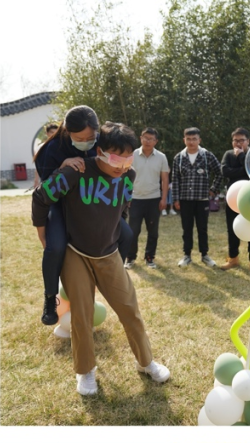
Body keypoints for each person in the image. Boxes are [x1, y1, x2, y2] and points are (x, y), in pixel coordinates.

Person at [31, 121, 170, 396]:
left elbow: (123, 208)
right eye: (116, 159)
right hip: (76, 254)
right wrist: (42, 231)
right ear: (100, 152)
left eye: (128, 159)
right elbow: (41, 197)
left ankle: (146, 362)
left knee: (130, 309)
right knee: (82, 315)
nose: (122, 166)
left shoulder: (128, 175)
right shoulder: (76, 171)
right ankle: (85, 371)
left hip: (108, 254)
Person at [33, 106, 133, 325]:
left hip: (93, 203)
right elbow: (46, 189)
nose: (86, 143)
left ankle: (112, 277)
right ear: (67, 131)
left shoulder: (101, 143)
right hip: (61, 205)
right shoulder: (53, 148)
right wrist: (62, 167)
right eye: (79, 139)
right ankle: (50, 298)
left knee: (126, 234)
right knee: (55, 246)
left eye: (91, 138)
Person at [169, 126, 223, 268]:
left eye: (194, 139)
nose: (191, 142)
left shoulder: (207, 155)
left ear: (199, 140)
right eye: (188, 139)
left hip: (202, 200)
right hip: (185, 200)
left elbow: (220, 173)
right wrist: (176, 199)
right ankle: (187, 255)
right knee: (187, 229)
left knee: (202, 228)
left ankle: (205, 255)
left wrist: (213, 190)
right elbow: (175, 180)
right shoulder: (179, 158)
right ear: (184, 140)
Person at [126, 127, 171, 269]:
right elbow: (125, 176)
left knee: (153, 231)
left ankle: (150, 257)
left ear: (156, 141)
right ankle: (130, 258)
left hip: (154, 199)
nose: (147, 141)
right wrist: (127, 196)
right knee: (133, 231)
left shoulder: (161, 157)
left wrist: (164, 199)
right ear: (140, 138)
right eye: (145, 138)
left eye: (151, 139)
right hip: (135, 199)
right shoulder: (132, 155)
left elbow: (165, 179)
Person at [220, 128, 250, 269]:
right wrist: (243, 171)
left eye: (241, 140)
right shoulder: (228, 154)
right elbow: (225, 171)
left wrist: (241, 156)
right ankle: (233, 258)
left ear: (248, 141)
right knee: (232, 227)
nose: (238, 143)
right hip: (233, 198)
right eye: (235, 140)